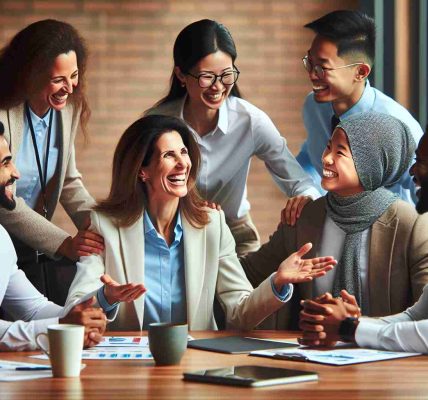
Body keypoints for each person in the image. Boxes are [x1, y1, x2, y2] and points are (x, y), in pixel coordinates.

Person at [64, 115, 336, 331]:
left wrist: (277, 281)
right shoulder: (104, 225)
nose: (183, 163)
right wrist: (106, 298)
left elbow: (238, 313)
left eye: (184, 153)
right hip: (129, 368)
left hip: (195, 362)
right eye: (168, 155)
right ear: (142, 171)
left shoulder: (212, 225)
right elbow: (75, 309)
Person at [146, 19, 320, 256]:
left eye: (227, 75)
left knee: (250, 293)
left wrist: (305, 199)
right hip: (168, 234)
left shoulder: (249, 120)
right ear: (181, 75)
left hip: (234, 235)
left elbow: (298, 180)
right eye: (207, 76)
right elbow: (135, 187)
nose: (218, 87)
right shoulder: (155, 123)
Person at [241, 111, 428, 329]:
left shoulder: (411, 224)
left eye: (340, 152)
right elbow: (246, 274)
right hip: (309, 357)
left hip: (386, 358)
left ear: (370, 164)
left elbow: (422, 319)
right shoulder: (305, 216)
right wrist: (209, 226)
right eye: (328, 147)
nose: (326, 158)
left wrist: (353, 326)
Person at [0, 20, 104, 298]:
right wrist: (63, 243)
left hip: (33, 249)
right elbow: (3, 200)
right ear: (29, 75)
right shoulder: (2, 115)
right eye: (58, 79)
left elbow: (68, 181)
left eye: (74, 75)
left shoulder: (65, 109)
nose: (69, 88)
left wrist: (105, 226)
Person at [299, 130, 428, 353]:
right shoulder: (309, 214)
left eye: (423, 162)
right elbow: (416, 316)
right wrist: (346, 322)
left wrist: (349, 328)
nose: (413, 172)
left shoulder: (409, 222)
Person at [294, 9, 423, 211]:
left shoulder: (394, 123)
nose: (311, 74)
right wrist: (308, 195)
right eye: (309, 62)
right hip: (337, 224)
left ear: (360, 72)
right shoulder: (313, 107)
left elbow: (421, 186)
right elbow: (309, 158)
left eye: (322, 68)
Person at [0, 120, 106, 351]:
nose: (16, 173)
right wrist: (61, 325)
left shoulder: (1, 239)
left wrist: (84, 315)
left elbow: (34, 310)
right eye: (5, 163)